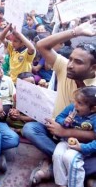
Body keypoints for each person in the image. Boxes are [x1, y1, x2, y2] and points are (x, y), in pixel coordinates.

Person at [22, 19, 96, 186]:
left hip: (85, 141)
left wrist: (65, 132)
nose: (70, 65)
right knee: (30, 129)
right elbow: (41, 45)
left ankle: (53, 166)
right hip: (55, 130)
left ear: (93, 68)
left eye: (78, 62)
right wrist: (75, 31)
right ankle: (75, 168)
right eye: (70, 59)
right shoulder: (64, 68)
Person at [53, 86, 96, 187]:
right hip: (67, 141)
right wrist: (64, 121)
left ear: (93, 108)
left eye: (80, 103)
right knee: (57, 155)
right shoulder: (72, 108)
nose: (75, 105)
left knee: (69, 158)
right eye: (75, 101)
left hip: (85, 145)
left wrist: (82, 147)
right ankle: (61, 184)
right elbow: (59, 117)